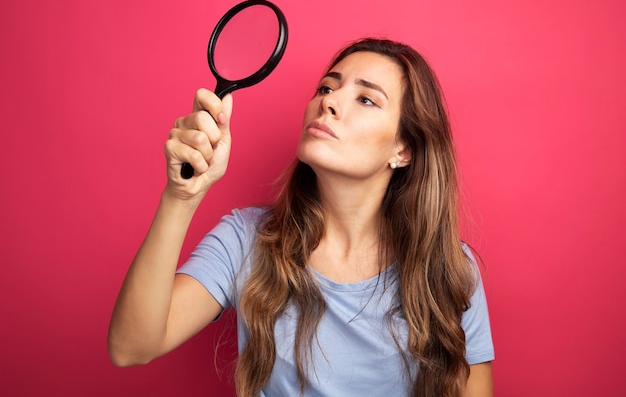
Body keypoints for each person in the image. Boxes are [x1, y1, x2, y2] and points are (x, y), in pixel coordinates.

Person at [108, 37, 495, 397]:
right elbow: (131, 347)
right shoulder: (246, 239)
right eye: (327, 87)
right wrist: (180, 197)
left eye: (366, 99)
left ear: (403, 150)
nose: (329, 102)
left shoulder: (449, 270)